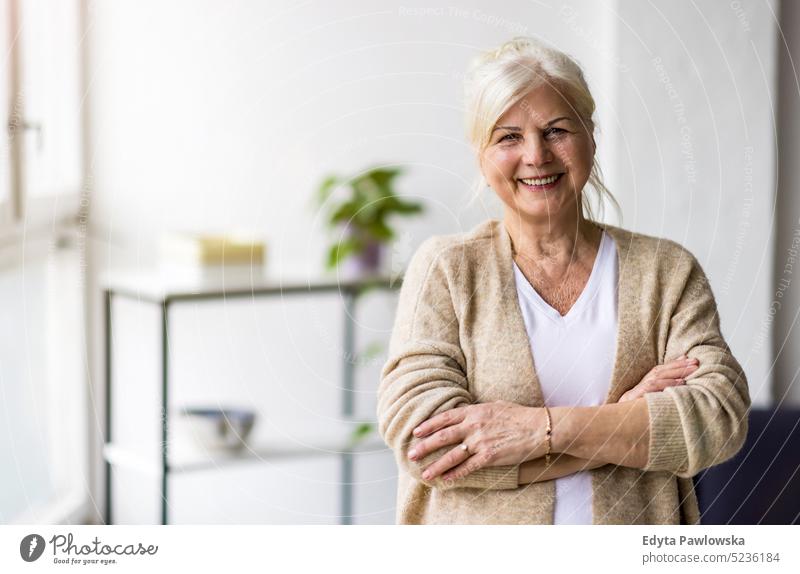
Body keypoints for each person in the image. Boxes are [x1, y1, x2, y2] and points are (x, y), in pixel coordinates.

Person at [376, 37, 750, 525]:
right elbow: (428, 447)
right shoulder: (445, 269)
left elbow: (718, 419)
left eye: (555, 130)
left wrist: (538, 430)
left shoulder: (666, 271)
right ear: (481, 155)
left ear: (589, 137)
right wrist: (624, 424)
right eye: (508, 137)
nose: (536, 155)